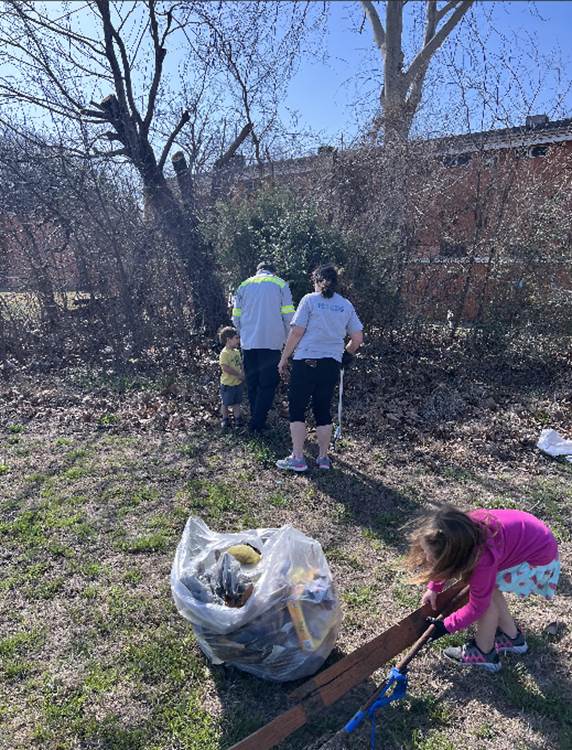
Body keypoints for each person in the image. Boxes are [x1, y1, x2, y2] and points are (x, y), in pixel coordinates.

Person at [407, 505, 560, 672]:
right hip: (538, 543)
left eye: (433, 558)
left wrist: (446, 626)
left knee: (485, 601)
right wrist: (434, 587)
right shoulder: (463, 531)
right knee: (489, 590)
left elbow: (477, 607)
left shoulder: (483, 561)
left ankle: (484, 653)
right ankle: (513, 638)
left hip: (537, 560)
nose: (427, 557)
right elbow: (449, 558)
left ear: (455, 559)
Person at [276, 264, 363, 472]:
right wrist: (345, 355)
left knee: (297, 408)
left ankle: (298, 458)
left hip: (306, 361)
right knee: (323, 410)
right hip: (331, 363)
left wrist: (284, 358)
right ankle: (323, 458)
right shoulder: (345, 305)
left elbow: (297, 332)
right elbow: (357, 338)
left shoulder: (309, 300)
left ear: (316, 281)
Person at [232, 261, 295, 433]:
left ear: (257, 270)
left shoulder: (243, 285)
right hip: (272, 342)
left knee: (252, 383)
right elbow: (289, 316)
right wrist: (288, 340)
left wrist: (242, 333)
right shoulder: (280, 284)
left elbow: (236, 316)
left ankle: (256, 419)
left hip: (249, 342)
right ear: (273, 271)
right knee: (268, 384)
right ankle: (257, 422)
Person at [218, 326, 244, 431]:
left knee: (237, 402)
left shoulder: (236, 352)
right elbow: (225, 368)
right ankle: (225, 419)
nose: (238, 340)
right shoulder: (224, 353)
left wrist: (242, 373)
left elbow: (240, 364)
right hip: (228, 384)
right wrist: (237, 374)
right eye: (236, 338)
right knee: (226, 403)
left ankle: (238, 419)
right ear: (229, 340)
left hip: (237, 383)